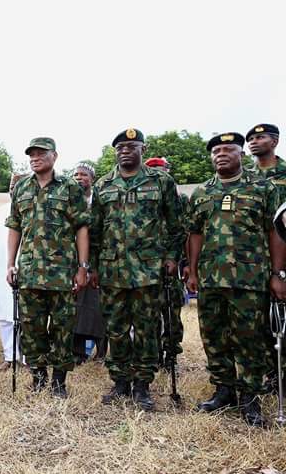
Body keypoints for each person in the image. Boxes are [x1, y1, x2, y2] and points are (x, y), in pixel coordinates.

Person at [188, 132, 285, 427]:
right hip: (211, 278)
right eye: (216, 151)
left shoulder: (263, 188)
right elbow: (195, 234)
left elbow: (276, 233)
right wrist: (192, 272)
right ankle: (224, 390)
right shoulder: (202, 192)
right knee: (214, 337)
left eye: (228, 149)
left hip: (250, 278)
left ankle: (250, 397)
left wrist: (278, 274)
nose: (221, 154)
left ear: (240, 154)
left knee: (250, 339)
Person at [91, 128, 184, 411]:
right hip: (113, 269)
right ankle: (120, 382)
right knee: (116, 328)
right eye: (120, 147)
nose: (125, 150)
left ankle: (142, 385)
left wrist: (171, 258)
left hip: (149, 269)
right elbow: (95, 230)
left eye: (131, 145)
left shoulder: (161, 181)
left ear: (143, 148)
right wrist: (93, 266)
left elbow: (176, 224)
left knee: (146, 329)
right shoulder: (103, 185)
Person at [6, 138, 90, 397]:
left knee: (62, 327)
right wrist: (10, 263)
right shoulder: (21, 189)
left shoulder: (70, 188)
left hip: (61, 271)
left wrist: (82, 266)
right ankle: (39, 376)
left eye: (41, 153)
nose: (35, 157)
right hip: (29, 271)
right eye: (31, 154)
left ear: (54, 156)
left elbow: (82, 228)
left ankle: (59, 381)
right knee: (31, 327)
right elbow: (15, 227)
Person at [246, 123, 286, 390]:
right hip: (254, 256)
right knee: (262, 319)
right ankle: (272, 372)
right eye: (250, 139)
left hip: (284, 251)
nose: (253, 142)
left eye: (259, 137)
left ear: (274, 141)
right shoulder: (245, 175)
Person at [143, 157, 187, 367]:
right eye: (155, 170)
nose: (161, 174)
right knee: (149, 314)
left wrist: (182, 262)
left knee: (171, 311)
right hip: (145, 265)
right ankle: (154, 354)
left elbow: (185, 231)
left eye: (163, 169)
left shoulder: (181, 198)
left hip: (170, 263)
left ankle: (171, 353)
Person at [0, 173, 27, 371]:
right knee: (4, 315)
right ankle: (10, 356)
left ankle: (27, 357)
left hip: (29, 269)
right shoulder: (0, 211)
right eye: (11, 185)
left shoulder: (34, 207)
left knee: (27, 315)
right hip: (4, 269)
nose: (14, 188)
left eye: (18, 185)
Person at [71, 162, 106, 362]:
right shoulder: (69, 199)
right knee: (77, 309)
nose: (79, 178)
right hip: (73, 262)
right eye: (76, 174)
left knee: (97, 308)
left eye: (84, 174)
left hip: (97, 262)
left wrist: (94, 266)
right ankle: (78, 352)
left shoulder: (99, 200)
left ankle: (101, 351)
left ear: (92, 178)